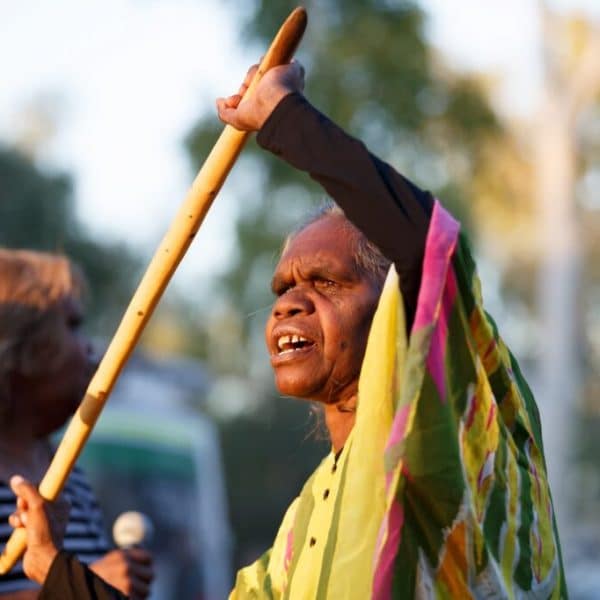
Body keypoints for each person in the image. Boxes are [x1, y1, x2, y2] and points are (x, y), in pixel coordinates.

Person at [10, 60, 567, 598]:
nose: (288, 305)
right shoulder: (300, 533)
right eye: (281, 290)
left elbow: (431, 252)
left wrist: (285, 117)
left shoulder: (453, 433)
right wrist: (56, 571)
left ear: (399, 308)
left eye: (326, 282)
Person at [0, 250, 153, 599]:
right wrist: (75, 586)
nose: (91, 352)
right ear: (17, 345)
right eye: (71, 325)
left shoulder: (70, 477)